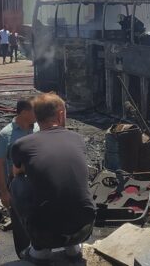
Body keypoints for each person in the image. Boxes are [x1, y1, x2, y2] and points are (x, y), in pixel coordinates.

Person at [10, 93, 95, 264]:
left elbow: (16, 172)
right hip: (85, 226)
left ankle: (39, 250)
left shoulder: (22, 144)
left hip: (44, 233)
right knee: (74, 179)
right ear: (61, 114)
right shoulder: (77, 139)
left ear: (36, 116)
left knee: (16, 183)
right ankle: (73, 247)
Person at [0, 97, 39, 257]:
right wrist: (4, 192)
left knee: (39, 225)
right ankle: (23, 257)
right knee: (21, 229)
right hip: (17, 186)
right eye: (34, 110)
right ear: (24, 112)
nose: (37, 114)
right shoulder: (6, 134)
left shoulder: (37, 129)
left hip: (37, 185)